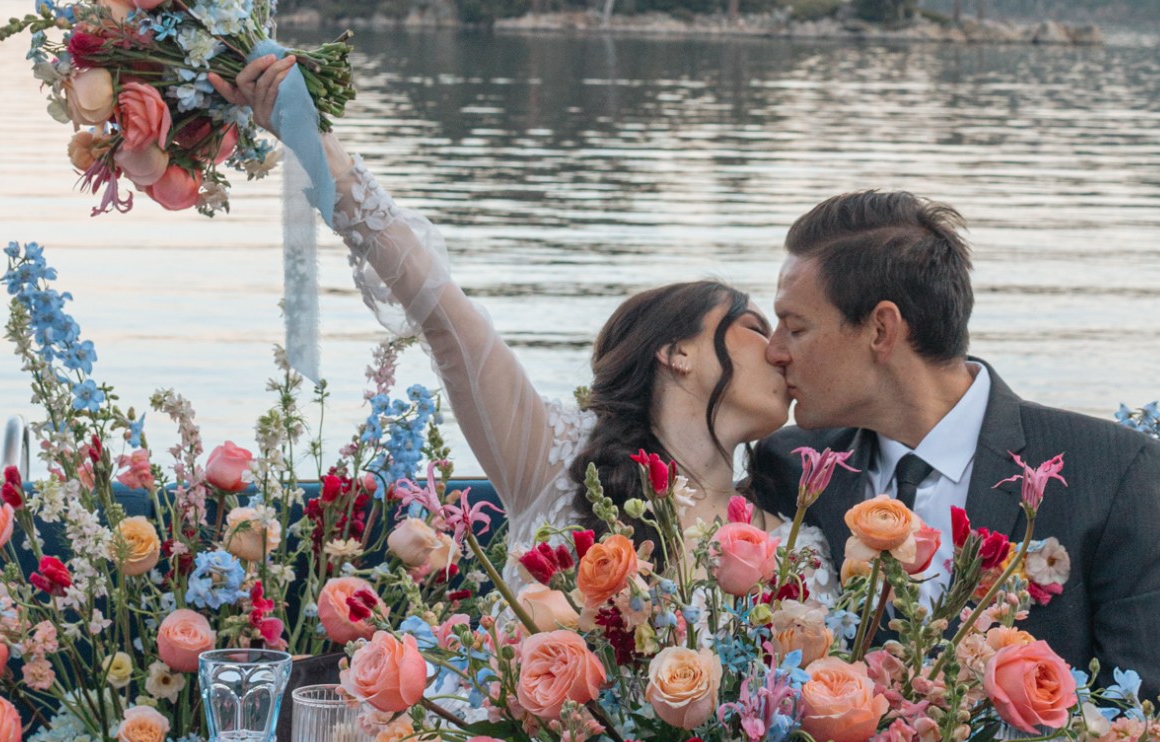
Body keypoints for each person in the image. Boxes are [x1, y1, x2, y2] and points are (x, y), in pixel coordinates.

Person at [217, 55, 792, 562]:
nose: (780, 351)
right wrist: (316, 142)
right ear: (678, 351)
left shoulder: (795, 548)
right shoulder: (556, 458)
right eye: (754, 327)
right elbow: (447, 320)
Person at [748, 188, 1160, 742]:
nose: (774, 352)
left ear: (881, 330)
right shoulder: (792, 470)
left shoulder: (1114, 474)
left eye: (795, 327)